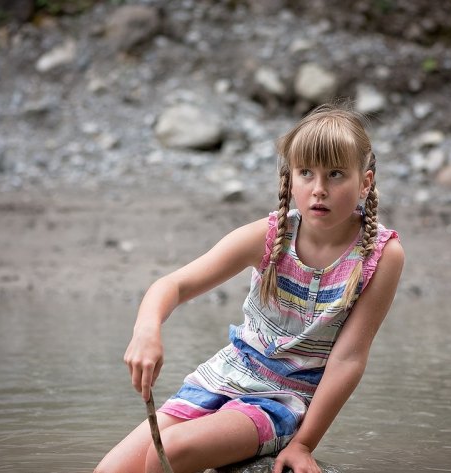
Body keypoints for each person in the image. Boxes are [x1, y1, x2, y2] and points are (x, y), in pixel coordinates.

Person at [95, 104, 404, 473]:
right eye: (306, 173)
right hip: (225, 376)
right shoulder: (270, 235)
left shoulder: (381, 256)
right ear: (291, 178)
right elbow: (173, 285)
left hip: (285, 398)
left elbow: (348, 359)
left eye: (336, 174)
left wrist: (304, 444)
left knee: (170, 453)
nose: (318, 189)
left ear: (365, 182)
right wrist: (147, 331)